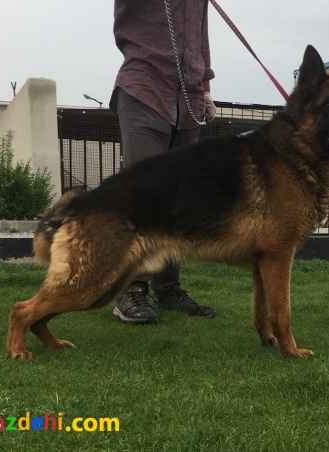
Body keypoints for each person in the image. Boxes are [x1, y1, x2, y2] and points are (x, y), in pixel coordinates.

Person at [109, 0, 217, 324]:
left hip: (189, 99)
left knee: (177, 202)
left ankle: (168, 289)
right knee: (144, 197)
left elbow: (201, 36)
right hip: (145, 89)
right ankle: (130, 290)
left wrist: (205, 88)